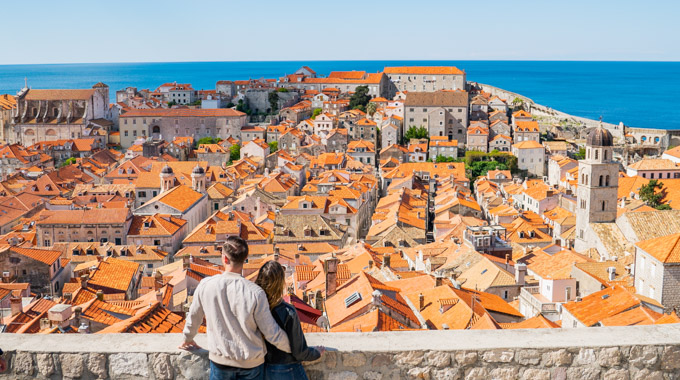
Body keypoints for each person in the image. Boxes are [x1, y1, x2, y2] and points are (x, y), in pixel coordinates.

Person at [180, 236, 292, 380]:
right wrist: (296, 349)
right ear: (245, 259)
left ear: (225, 259)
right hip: (252, 363)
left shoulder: (206, 285)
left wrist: (187, 338)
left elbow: (194, 317)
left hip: (221, 361)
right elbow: (271, 332)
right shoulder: (255, 293)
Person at [255, 261, 324, 380]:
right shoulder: (288, 312)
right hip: (287, 368)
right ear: (281, 283)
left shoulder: (256, 309)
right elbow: (299, 351)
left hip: (264, 368)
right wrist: (316, 353)